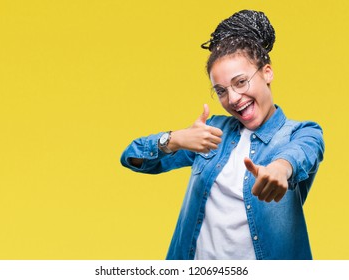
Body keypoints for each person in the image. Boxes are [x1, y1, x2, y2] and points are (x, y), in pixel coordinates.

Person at [120, 10, 324, 260]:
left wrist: (280, 169)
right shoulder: (213, 133)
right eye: (221, 90)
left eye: (240, 82)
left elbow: (302, 153)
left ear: (267, 72)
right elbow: (132, 158)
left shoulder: (301, 132)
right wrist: (175, 139)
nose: (233, 98)